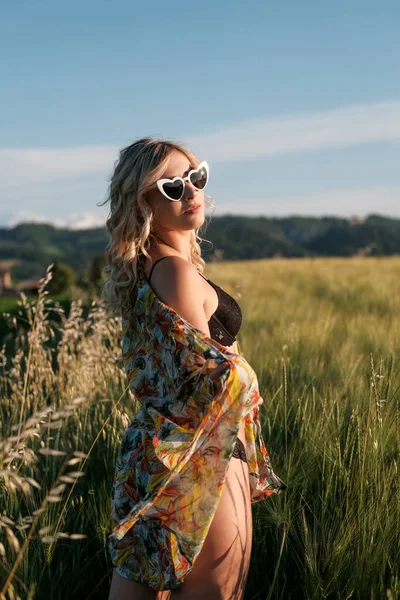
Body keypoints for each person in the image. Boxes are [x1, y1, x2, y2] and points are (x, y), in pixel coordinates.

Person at [102, 138, 286, 599]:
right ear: (142, 201)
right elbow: (211, 380)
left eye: (195, 177)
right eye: (171, 186)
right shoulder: (175, 273)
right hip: (206, 459)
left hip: (158, 456)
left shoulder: (156, 268)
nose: (190, 191)